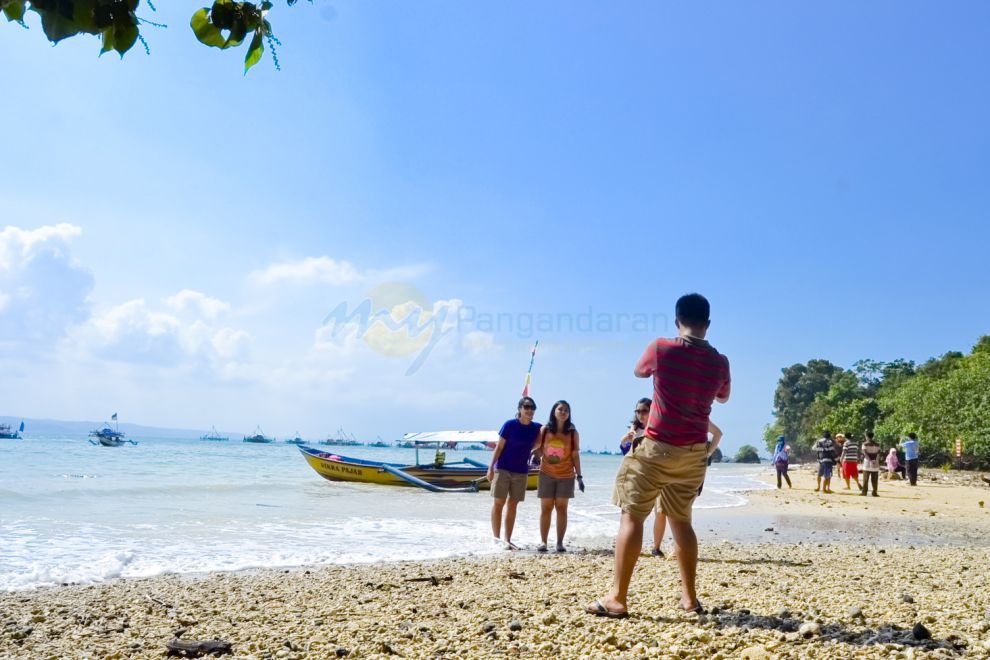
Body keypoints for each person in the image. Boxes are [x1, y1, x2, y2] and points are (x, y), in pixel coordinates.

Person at [587, 293, 730, 619]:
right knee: (681, 521)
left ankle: (617, 598)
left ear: (677, 320)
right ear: (708, 324)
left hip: (657, 446)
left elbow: (639, 372)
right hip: (694, 453)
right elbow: (723, 397)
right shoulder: (720, 362)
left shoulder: (662, 348)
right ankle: (689, 599)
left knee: (632, 516)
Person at [656, 420, 722, 560]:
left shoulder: (683, 414)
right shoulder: (698, 414)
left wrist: (707, 454)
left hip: (679, 465)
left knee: (676, 508)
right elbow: (718, 434)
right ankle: (682, 549)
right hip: (694, 467)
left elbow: (718, 433)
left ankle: (680, 550)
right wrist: (706, 454)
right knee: (684, 507)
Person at [487, 397, 542, 550]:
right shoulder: (509, 425)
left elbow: (546, 437)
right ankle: (496, 539)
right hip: (503, 468)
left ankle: (507, 540)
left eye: (532, 408)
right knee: (499, 503)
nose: (530, 410)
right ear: (520, 409)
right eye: (527, 407)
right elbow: (498, 448)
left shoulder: (536, 428)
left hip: (521, 472)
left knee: (513, 505)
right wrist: (490, 468)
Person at [535, 400, 583, 553]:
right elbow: (538, 448)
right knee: (546, 509)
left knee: (562, 509)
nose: (563, 412)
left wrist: (580, 476)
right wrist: (531, 455)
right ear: (554, 411)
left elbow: (575, 454)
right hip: (546, 473)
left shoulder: (572, 433)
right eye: (560, 409)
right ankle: (543, 542)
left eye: (566, 410)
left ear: (569, 414)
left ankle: (559, 543)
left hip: (566, 475)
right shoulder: (545, 430)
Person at [861, 431, 881, 496]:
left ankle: (864, 492)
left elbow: (865, 454)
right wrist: (875, 461)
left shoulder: (864, 444)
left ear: (866, 436)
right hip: (875, 464)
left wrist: (870, 461)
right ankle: (874, 492)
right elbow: (878, 454)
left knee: (865, 479)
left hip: (867, 463)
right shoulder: (877, 444)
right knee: (875, 480)